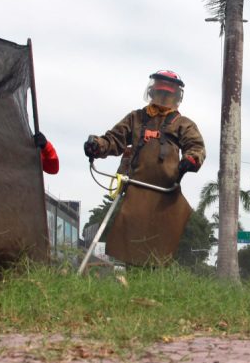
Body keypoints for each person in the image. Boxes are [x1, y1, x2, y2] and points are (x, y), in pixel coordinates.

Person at [83, 70, 205, 267]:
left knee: (160, 246)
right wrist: (97, 145)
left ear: (176, 97)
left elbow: (196, 146)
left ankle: (158, 279)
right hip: (135, 189)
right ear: (151, 92)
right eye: (160, 92)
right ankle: (133, 277)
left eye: (167, 94)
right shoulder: (136, 118)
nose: (163, 97)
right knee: (131, 244)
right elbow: (114, 139)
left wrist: (191, 159)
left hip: (166, 193)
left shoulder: (183, 124)